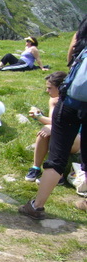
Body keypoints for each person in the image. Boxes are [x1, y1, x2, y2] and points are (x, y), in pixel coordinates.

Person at [19, 15, 87, 218]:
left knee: (57, 157)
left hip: (71, 102)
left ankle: (36, 206)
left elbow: (70, 59)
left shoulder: (82, 31)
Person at [25, 71, 80, 183]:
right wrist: (39, 117)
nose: (47, 91)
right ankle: (35, 168)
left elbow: (60, 124)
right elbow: (54, 121)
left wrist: (39, 117)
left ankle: (57, 175)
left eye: (50, 88)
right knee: (43, 132)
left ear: (60, 88)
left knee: (53, 132)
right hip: (63, 133)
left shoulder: (73, 102)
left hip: (78, 138)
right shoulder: (53, 101)